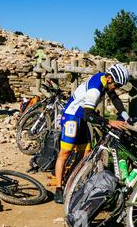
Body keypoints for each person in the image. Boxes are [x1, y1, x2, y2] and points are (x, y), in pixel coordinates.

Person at [53, 64, 131, 204]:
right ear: (109, 78)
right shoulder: (95, 89)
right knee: (65, 152)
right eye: (117, 85)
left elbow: (115, 99)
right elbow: (89, 115)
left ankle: (77, 181)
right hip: (72, 116)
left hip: (82, 117)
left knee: (87, 153)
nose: (117, 88)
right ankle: (58, 189)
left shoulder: (105, 80)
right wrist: (109, 122)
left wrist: (126, 117)